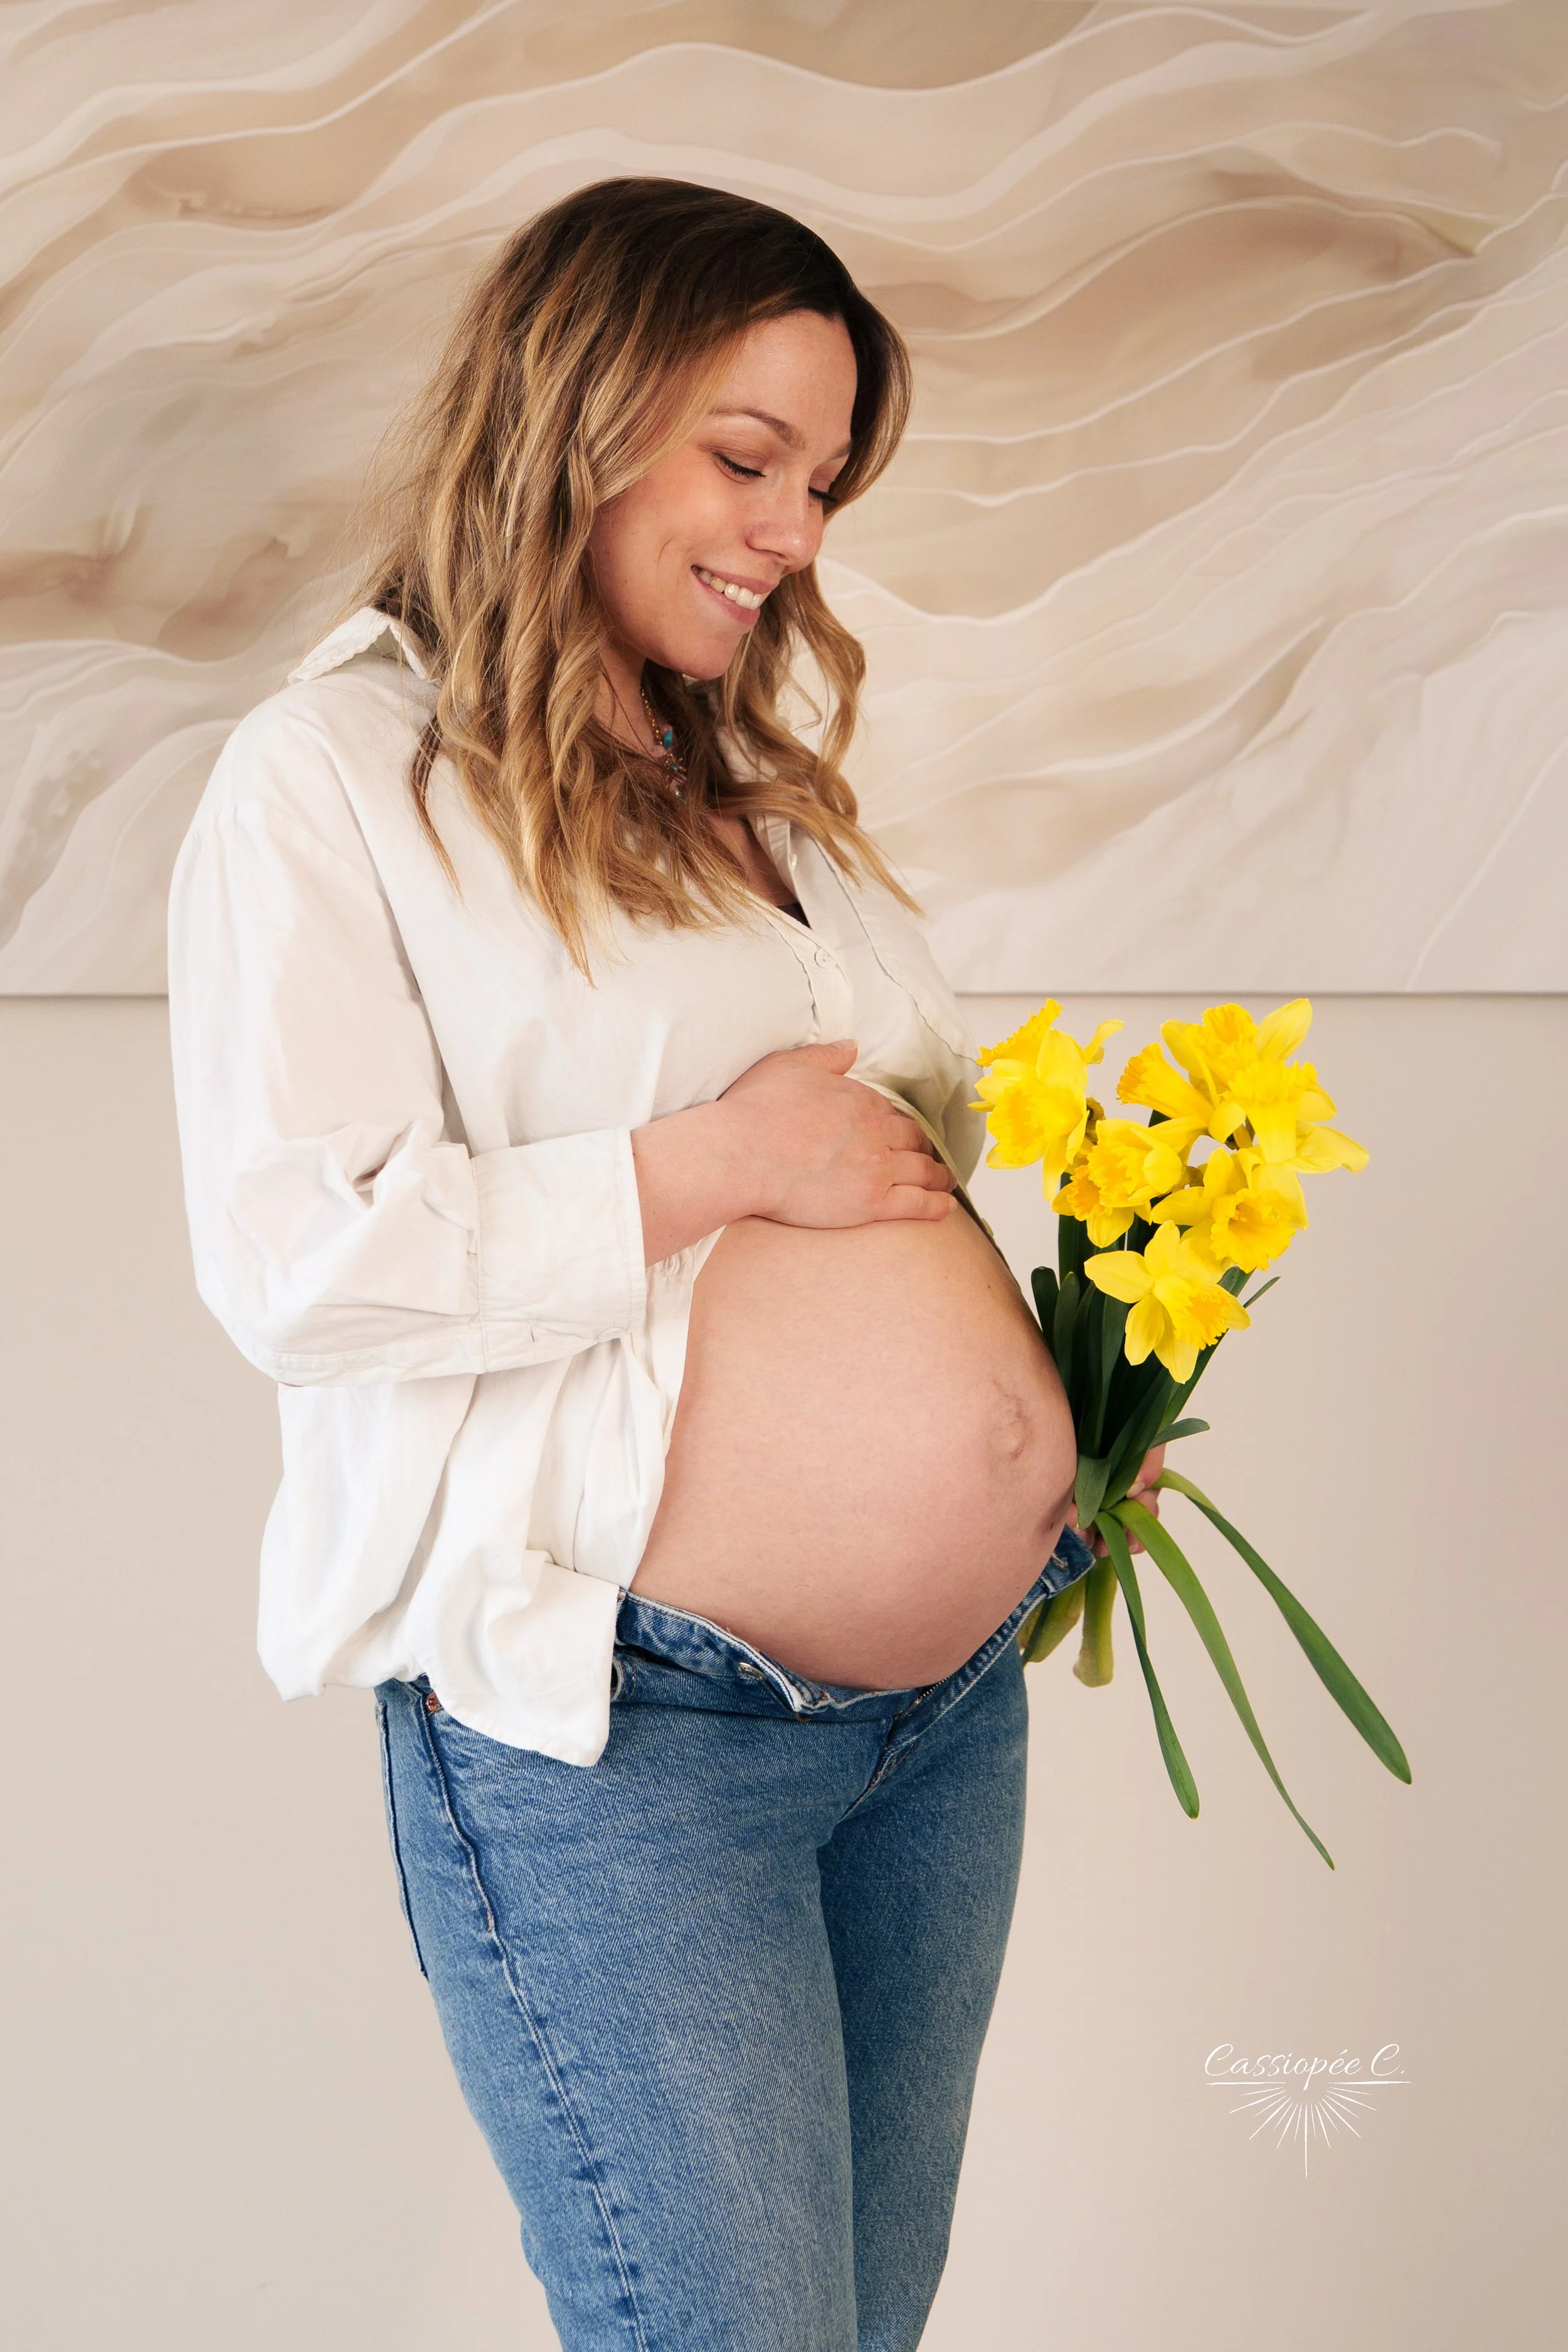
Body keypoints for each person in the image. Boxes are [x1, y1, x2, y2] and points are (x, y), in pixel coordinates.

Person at [167, 177, 1163, 2352]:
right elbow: (297, 1261)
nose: (792, 529)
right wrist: (704, 1160)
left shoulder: (749, 791)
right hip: (622, 1734)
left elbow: (873, 1174)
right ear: (571, 410)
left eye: (818, 479)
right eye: (745, 458)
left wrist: (1051, 1437)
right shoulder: (330, 783)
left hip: (938, 1722)